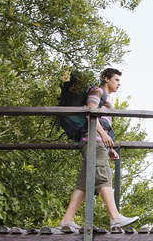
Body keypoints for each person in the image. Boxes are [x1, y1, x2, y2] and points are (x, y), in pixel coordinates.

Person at [57, 68, 139, 230]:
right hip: (93, 139)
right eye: (116, 80)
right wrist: (104, 136)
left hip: (95, 140)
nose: (119, 84)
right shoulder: (97, 91)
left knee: (83, 183)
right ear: (106, 79)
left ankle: (66, 220)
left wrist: (108, 147)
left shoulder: (106, 98)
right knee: (103, 174)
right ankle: (115, 217)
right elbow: (90, 113)